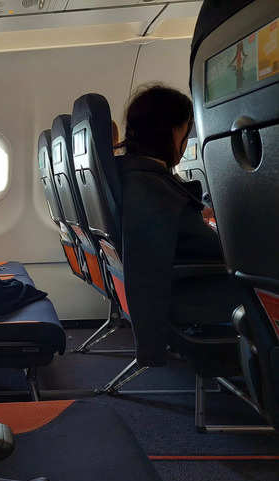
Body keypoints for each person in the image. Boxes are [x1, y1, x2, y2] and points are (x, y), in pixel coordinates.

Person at [115, 84, 240, 364]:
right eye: (187, 130)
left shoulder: (139, 176)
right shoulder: (148, 187)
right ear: (173, 131)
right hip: (198, 291)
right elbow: (213, 253)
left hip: (191, 281)